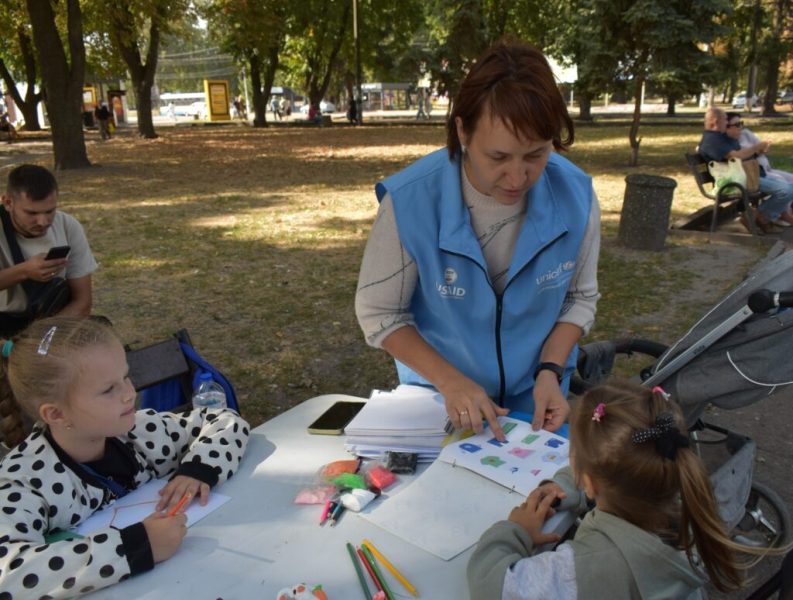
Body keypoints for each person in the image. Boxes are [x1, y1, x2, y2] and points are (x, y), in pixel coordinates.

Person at [355, 41, 601, 437]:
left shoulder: (576, 196)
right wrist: (450, 382)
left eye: (536, 155)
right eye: (499, 158)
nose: (518, 178)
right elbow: (379, 313)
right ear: (462, 131)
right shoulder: (411, 201)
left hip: (538, 398)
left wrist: (550, 371)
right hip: (439, 397)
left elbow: (579, 298)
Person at [0, 316, 250, 597]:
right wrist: (135, 546)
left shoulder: (138, 433)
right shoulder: (23, 482)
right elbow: (8, 571)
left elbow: (224, 420)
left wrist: (196, 469)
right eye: (109, 389)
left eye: (126, 377)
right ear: (56, 414)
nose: (129, 394)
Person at [467, 381, 761, 599]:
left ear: (591, 482)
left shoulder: (586, 567)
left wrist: (515, 530)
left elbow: (489, 585)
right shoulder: (686, 500)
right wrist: (566, 486)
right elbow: (616, 471)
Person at [0, 164, 98, 337]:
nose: (43, 221)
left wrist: (38, 338)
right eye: (32, 213)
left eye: (50, 211)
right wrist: (24, 271)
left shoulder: (68, 226)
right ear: (8, 202)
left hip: (51, 325)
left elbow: (82, 302)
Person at [698, 107, 793, 233]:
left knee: (789, 188)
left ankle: (760, 218)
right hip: (735, 181)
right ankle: (757, 217)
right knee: (785, 191)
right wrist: (756, 147)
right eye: (725, 120)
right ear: (715, 121)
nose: (727, 123)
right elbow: (736, 156)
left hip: (746, 176)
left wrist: (758, 151)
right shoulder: (712, 140)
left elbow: (740, 154)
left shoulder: (719, 137)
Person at [730, 112, 793, 185]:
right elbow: (743, 156)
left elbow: (762, 148)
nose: (740, 127)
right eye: (737, 125)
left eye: (741, 123)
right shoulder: (730, 144)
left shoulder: (745, 133)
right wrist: (757, 150)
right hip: (757, 174)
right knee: (785, 183)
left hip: (768, 169)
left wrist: (764, 148)